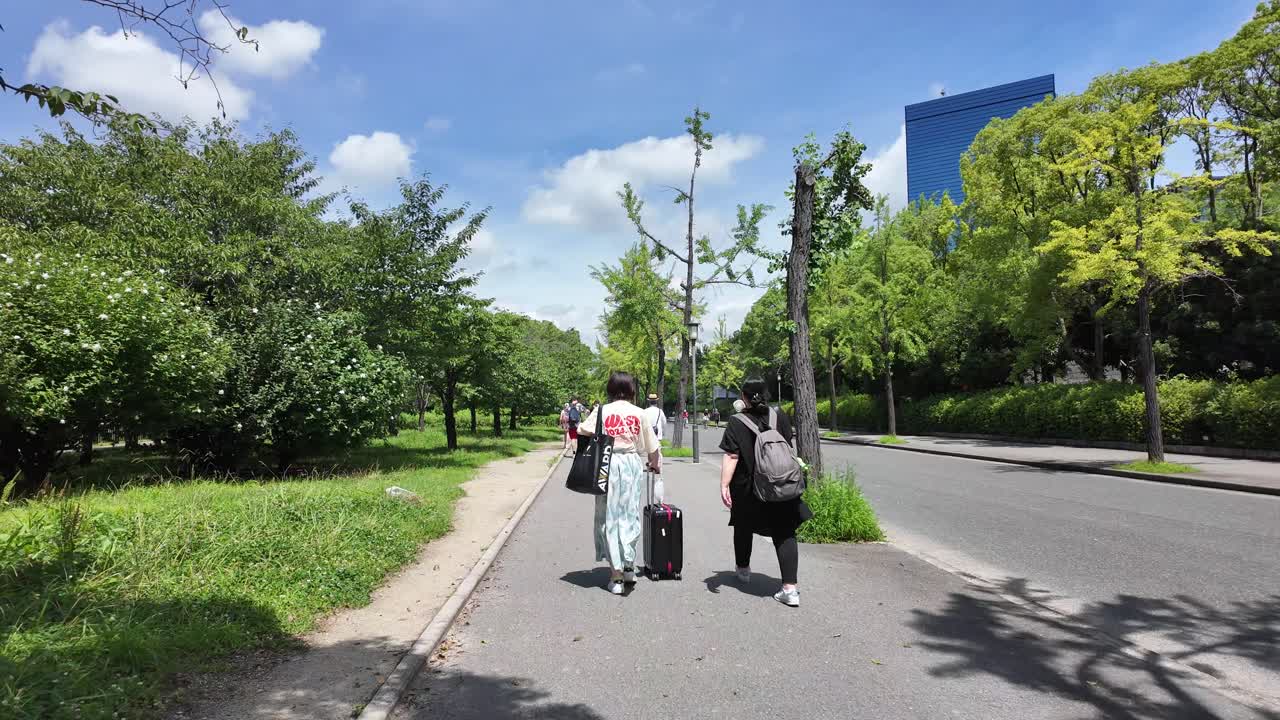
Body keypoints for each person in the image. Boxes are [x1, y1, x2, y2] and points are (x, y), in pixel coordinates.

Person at [718, 378, 812, 607]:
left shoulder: (736, 421)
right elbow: (787, 444)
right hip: (781, 484)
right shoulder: (779, 416)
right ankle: (790, 589)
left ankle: (743, 569)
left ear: (744, 398)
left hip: (749, 487)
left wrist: (724, 484)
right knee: (785, 532)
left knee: (742, 524)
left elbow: (732, 455)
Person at [578, 372, 661, 595]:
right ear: (631, 390)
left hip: (606, 463)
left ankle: (615, 576)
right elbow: (652, 447)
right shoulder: (639, 413)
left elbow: (581, 430)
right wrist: (655, 465)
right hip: (632, 464)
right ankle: (628, 568)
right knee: (630, 515)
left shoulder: (602, 411)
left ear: (611, 389)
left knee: (608, 516)